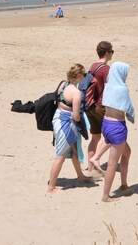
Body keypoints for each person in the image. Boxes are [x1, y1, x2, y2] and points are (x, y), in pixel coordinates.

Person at [47, 64, 91, 194]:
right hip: (66, 124)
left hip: (58, 117)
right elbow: (76, 116)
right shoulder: (76, 93)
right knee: (60, 155)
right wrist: (81, 121)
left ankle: (80, 175)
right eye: (83, 75)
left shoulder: (64, 84)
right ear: (79, 76)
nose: (84, 77)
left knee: (74, 151)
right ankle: (51, 187)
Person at [101, 62, 135, 202]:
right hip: (117, 127)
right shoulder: (122, 89)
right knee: (112, 164)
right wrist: (132, 116)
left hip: (106, 124)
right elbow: (128, 108)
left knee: (127, 152)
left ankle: (124, 184)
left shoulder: (108, 86)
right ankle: (105, 196)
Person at [84, 41, 113, 174]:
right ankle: (98, 161)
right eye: (111, 51)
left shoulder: (93, 66)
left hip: (89, 105)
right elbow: (109, 88)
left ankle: (91, 168)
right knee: (112, 136)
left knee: (95, 137)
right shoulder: (106, 69)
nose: (112, 54)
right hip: (100, 107)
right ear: (106, 53)